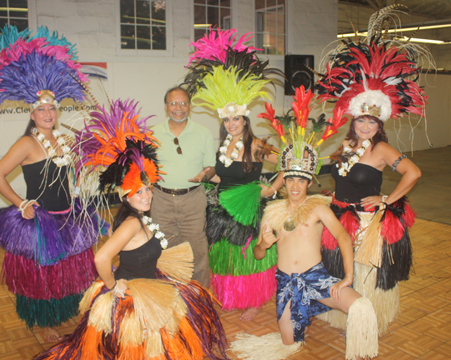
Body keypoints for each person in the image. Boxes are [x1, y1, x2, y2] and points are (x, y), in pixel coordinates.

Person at [34, 98, 228, 360]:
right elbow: (101, 258)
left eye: (148, 189)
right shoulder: (132, 222)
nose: (147, 195)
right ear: (126, 196)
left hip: (149, 284)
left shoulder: (143, 216)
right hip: (132, 296)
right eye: (139, 191)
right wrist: (114, 286)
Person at [0, 26, 107, 342]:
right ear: (32, 113)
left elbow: (73, 170)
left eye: (52, 107)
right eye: (41, 109)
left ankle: (63, 311)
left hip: (68, 214)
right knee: (42, 276)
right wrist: (20, 203)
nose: (48, 113)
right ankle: (44, 320)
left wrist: (79, 182)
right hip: (41, 220)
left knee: (66, 271)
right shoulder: (26, 143)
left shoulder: (65, 138)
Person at [315, 7, 427, 335]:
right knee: (337, 267)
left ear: (379, 123)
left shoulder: (382, 149)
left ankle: (368, 319)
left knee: (365, 272)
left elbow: (414, 172)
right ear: (354, 120)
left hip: (367, 222)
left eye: (371, 121)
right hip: (340, 215)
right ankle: (342, 315)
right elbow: (334, 171)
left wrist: (386, 199)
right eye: (361, 120)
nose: (365, 125)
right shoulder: (347, 146)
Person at [230, 139, 378, 360]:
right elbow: (257, 254)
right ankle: (303, 317)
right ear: (284, 182)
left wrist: (347, 277)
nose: (295, 186)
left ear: (309, 183)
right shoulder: (272, 211)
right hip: (287, 283)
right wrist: (263, 244)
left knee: (361, 307)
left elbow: (344, 238)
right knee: (290, 345)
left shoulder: (318, 207)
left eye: (301, 180)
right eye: (290, 180)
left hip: (316, 277)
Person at [183, 29, 286, 321]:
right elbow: (223, 177)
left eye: (236, 118)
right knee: (225, 254)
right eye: (227, 119)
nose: (231, 124)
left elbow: (287, 162)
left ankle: (253, 300)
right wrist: (206, 174)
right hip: (223, 205)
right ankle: (229, 294)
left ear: (245, 119)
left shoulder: (255, 145)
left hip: (249, 207)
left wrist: (271, 188)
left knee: (248, 254)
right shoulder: (223, 145)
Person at [151, 86, 216, 288]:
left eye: (183, 103)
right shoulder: (152, 134)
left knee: (197, 250)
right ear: (165, 107)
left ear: (189, 106)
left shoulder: (203, 133)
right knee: (165, 250)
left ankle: (199, 297)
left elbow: (211, 168)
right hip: (161, 200)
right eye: (173, 103)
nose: (178, 108)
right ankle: (171, 293)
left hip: (193, 199)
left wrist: (206, 174)